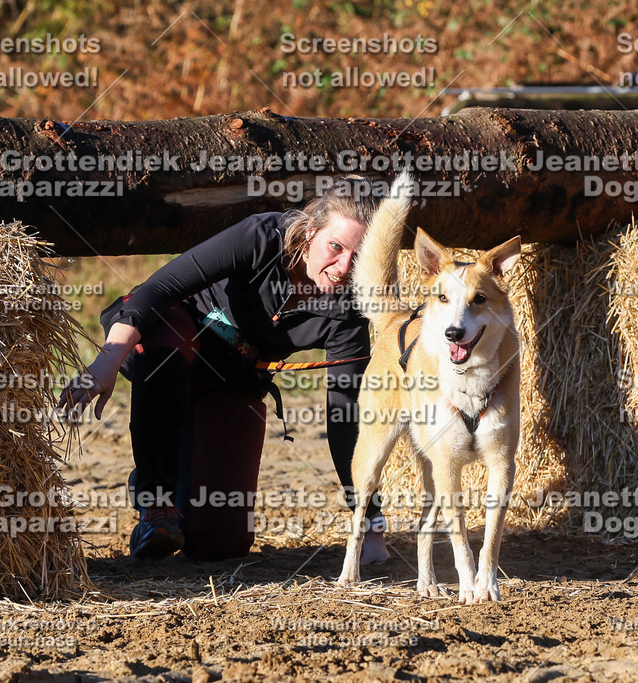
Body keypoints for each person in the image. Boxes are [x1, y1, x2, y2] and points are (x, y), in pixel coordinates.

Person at [59, 176, 390, 563]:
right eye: (336, 246)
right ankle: (157, 503)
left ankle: (185, 478)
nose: (344, 266)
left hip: (232, 380)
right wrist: (107, 361)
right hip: (172, 343)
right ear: (311, 229)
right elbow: (157, 289)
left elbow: (345, 418)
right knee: (169, 338)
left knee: (220, 543)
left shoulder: (351, 306)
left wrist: (369, 522)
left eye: (360, 253)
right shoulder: (262, 236)